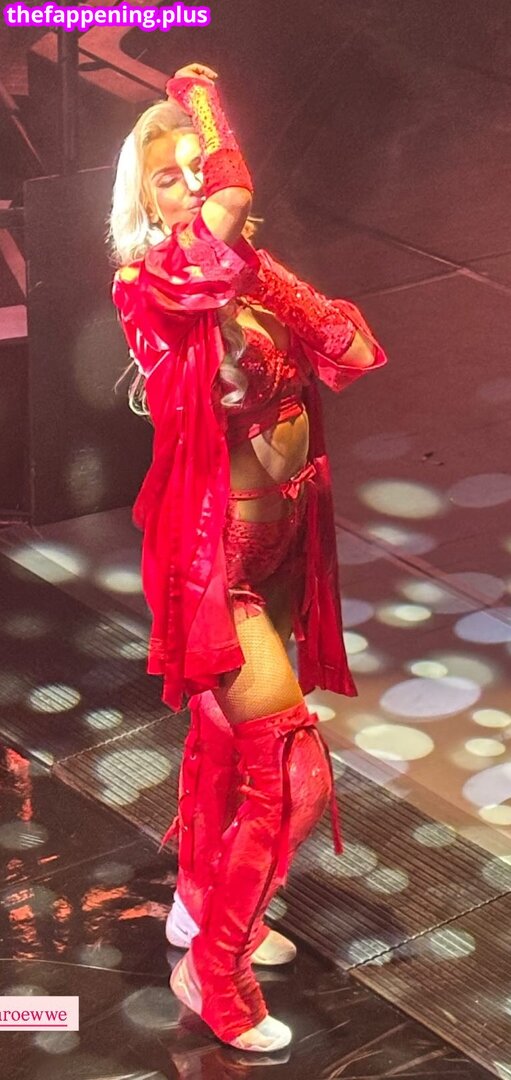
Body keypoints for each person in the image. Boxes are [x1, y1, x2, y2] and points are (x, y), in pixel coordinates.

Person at [109, 61, 387, 1053]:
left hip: (280, 550)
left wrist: (270, 282)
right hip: (213, 568)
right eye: (169, 176)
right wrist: (204, 102)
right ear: (142, 202)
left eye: (197, 166)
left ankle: (203, 905)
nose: (192, 186)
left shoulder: (238, 274)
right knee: (294, 775)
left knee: (227, 751)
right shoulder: (153, 286)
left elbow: (345, 346)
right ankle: (212, 969)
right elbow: (232, 196)